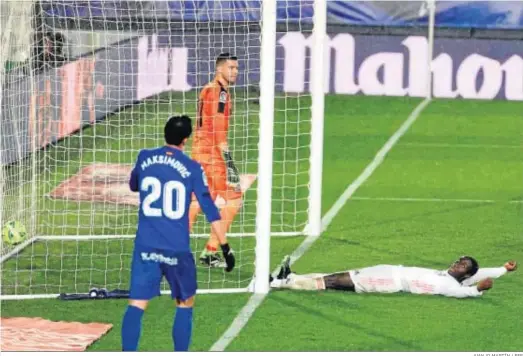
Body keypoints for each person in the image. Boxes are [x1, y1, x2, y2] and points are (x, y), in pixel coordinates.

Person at [121, 115, 235, 352]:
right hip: (176, 248)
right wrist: (224, 246)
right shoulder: (193, 168)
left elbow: (133, 185)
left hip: (146, 246)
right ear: (186, 139)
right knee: (185, 304)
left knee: (137, 304)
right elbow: (210, 210)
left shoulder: (145, 157)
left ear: (165, 134)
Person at [188, 53, 243, 268]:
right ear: (219, 69)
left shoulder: (207, 89)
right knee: (235, 199)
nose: (235, 72)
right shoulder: (220, 94)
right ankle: (211, 250)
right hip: (213, 156)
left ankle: (176, 248)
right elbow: (219, 131)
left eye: (237, 68)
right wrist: (229, 163)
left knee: (199, 201)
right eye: (231, 68)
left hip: (199, 152)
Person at [270, 255, 517, 298]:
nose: (458, 264)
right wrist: (504, 269)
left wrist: (478, 290)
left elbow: (466, 291)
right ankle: (291, 276)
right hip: (389, 270)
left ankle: (281, 283)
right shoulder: (447, 274)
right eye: (460, 260)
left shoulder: (449, 286)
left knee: (333, 282)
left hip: (390, 282)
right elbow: (482, 271)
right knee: (337, 275)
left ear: (467, 275)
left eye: (463, 265)